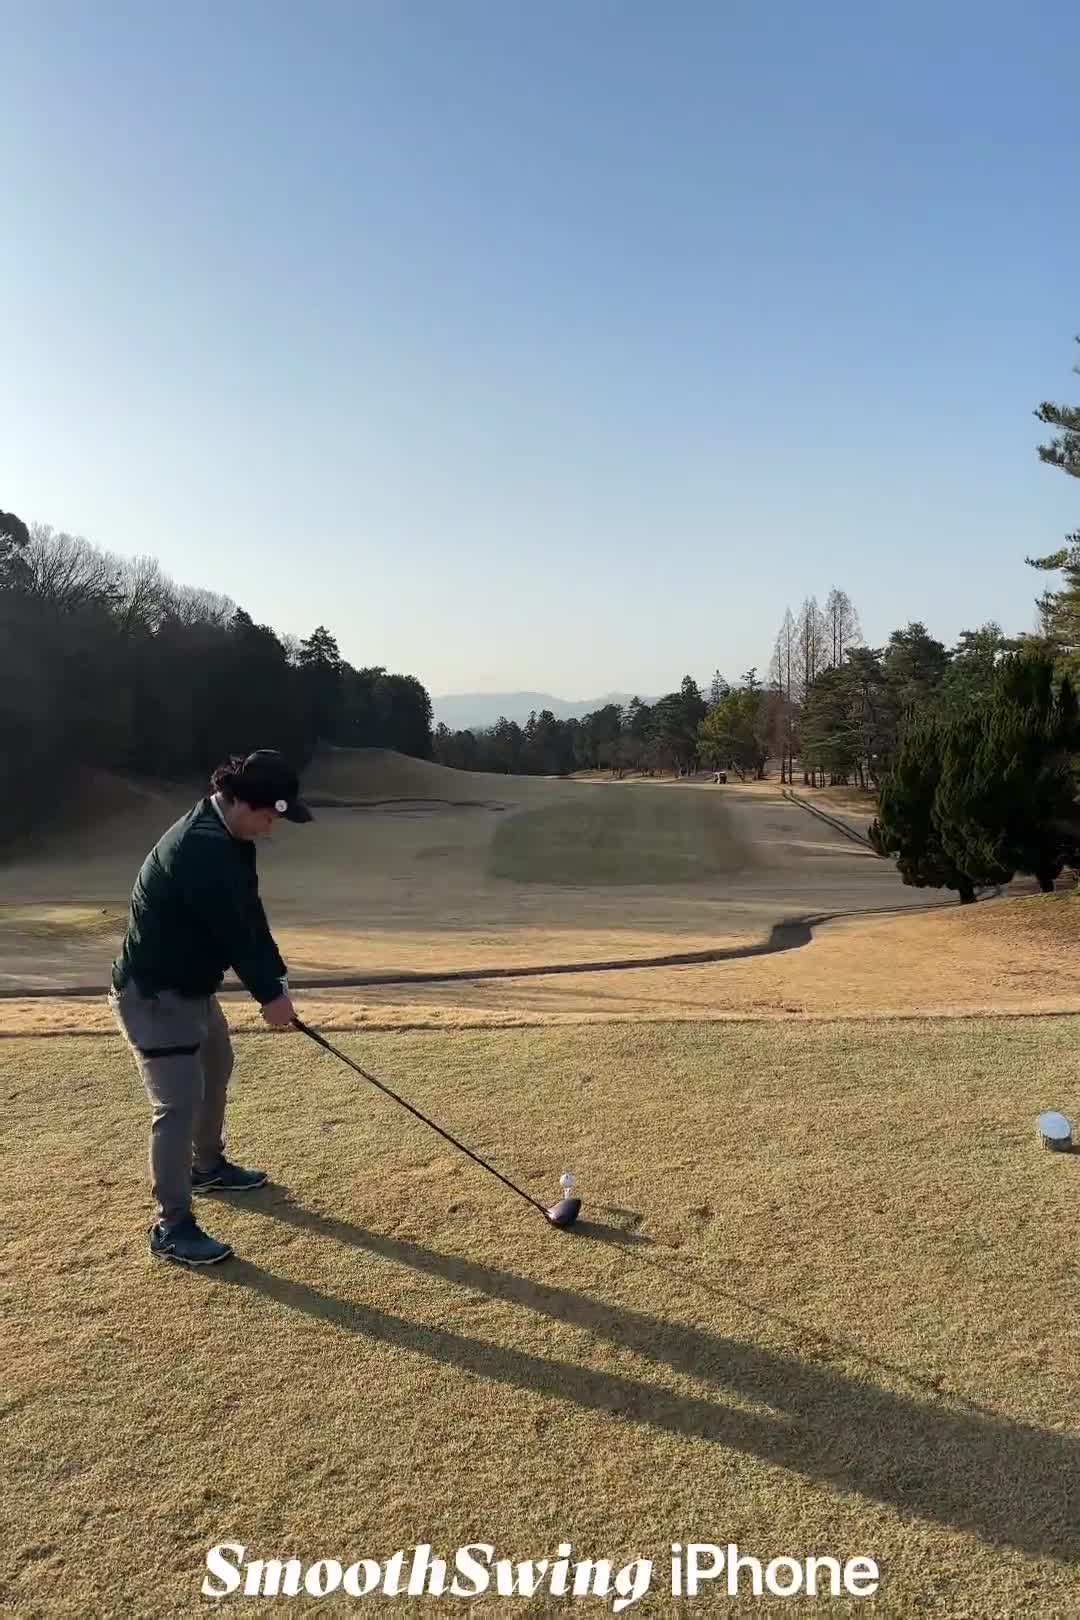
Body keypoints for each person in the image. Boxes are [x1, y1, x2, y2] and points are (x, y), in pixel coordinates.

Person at [109, 749, 313, 1268]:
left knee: (216, 1065)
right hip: (155, 994)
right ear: (243, 802)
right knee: (177, 1104)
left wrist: (276, 980)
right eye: (269, 816)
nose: (271, 828)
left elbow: (250, 914)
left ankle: (207, 1167)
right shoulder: (203, 847)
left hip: (193, 987)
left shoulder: (229, 837)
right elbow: (233, 931)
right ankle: (171, 1226)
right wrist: (269, 997)